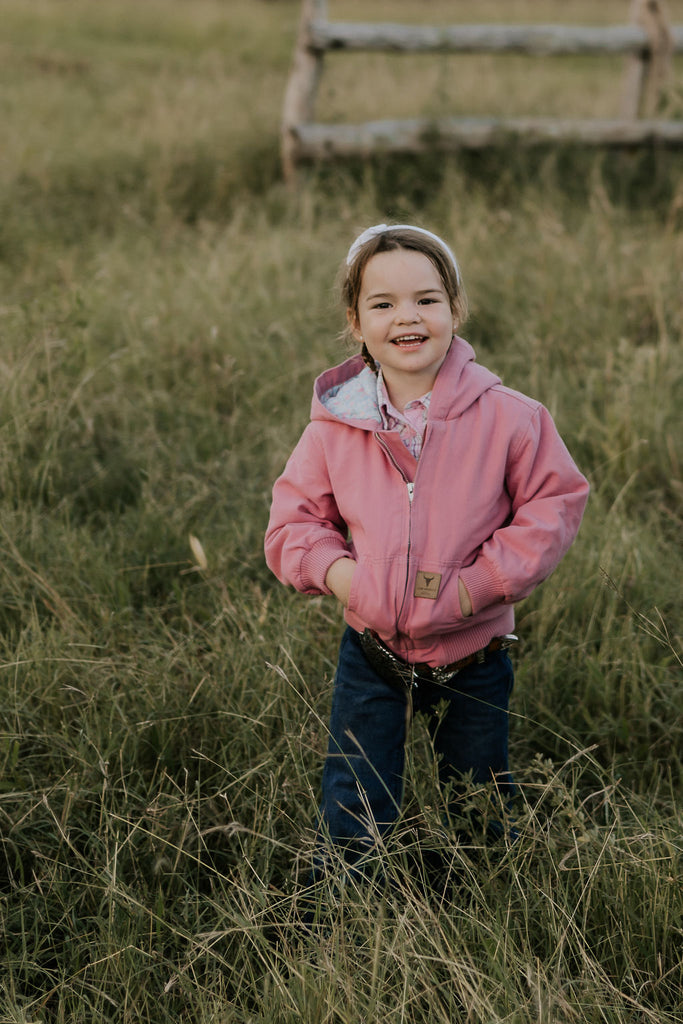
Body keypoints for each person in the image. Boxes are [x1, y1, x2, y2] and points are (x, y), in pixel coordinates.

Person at [264, 223, 589, 883]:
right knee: (354, 788)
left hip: (475, 653)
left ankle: (489, 893)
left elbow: (553, 504)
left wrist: (479, 586)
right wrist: (343, 575)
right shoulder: (337, 424)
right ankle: (349, 905)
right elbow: (292, 521)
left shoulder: (509, 417)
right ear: (355, 321)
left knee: (476, 789)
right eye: (382, 304)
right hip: (371, 649)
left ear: (454, 310)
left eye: (425, 299)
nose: (405, 317)